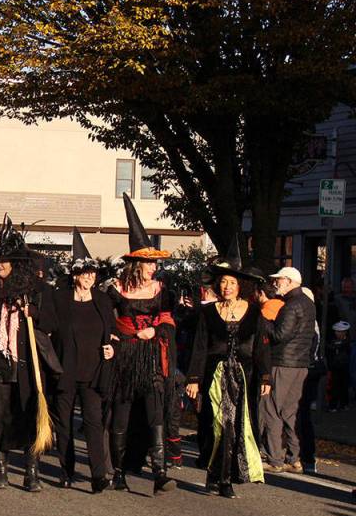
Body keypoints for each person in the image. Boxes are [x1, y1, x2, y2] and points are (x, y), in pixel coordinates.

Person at [0, 216, 57, 492]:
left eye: (4, 260)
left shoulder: (37, 291)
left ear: (17, 264)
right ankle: (1, 469)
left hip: (27, 365)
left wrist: (35, 313)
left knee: (29, 415)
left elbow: (53, 322)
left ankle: (32, 472)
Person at [106, 194, 177, 495]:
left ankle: (160, 472)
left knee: (154, 413)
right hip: (125, 355)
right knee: (121, 415)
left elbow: (170, 321)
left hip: (150, 357)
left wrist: (156, 330)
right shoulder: (115, 290)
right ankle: (119, 472)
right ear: (137, 264)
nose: (153, 268)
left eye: (154, 264)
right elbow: (107, 321)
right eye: (149, 263)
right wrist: (119, 337)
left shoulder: (161, 290)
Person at [185, 247, 268, 498]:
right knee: (215, 426)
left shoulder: (254, 313)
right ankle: (213, 474)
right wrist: (194, 379)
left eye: (231, 282)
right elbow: (199, 347)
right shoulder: (208, 312)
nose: (227, 287)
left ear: (240, 285)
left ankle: (226, 479)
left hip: (242, 377)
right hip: (214, 377)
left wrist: (265, 377)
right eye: (223, 282)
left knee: (235, 426)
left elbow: (260, 349)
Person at [52, 229, 116, 493]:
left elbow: (113, 334)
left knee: (93, 422)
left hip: (93, 372)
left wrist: (113, 348)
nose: (90, 277)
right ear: (75, 275)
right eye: (85, 273)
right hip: (65, 371)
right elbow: (47, 328)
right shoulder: (59, 299)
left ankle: (98, 474)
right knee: (64, 424)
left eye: (93, 273)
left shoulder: (102, 300)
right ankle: (66, 470)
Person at [262, 266, 316, 473]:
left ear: (290, 281)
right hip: (301, 364)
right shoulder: (308, 303)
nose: (276, 283)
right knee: (290, 412)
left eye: (279, 280)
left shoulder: (291, 305)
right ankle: (294, 458)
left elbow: (279, 335)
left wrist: (264, 321)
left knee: (272, 408)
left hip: (284, 363)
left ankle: (274, 459)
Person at [326, 321, 351, 412]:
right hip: (335, 367)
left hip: (343, 367)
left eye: (339, 332)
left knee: (343, 386)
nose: (337, 333)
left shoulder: (346, 342)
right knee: (334, 386)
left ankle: (343, 404)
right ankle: (334, 405)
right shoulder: (334, 341)